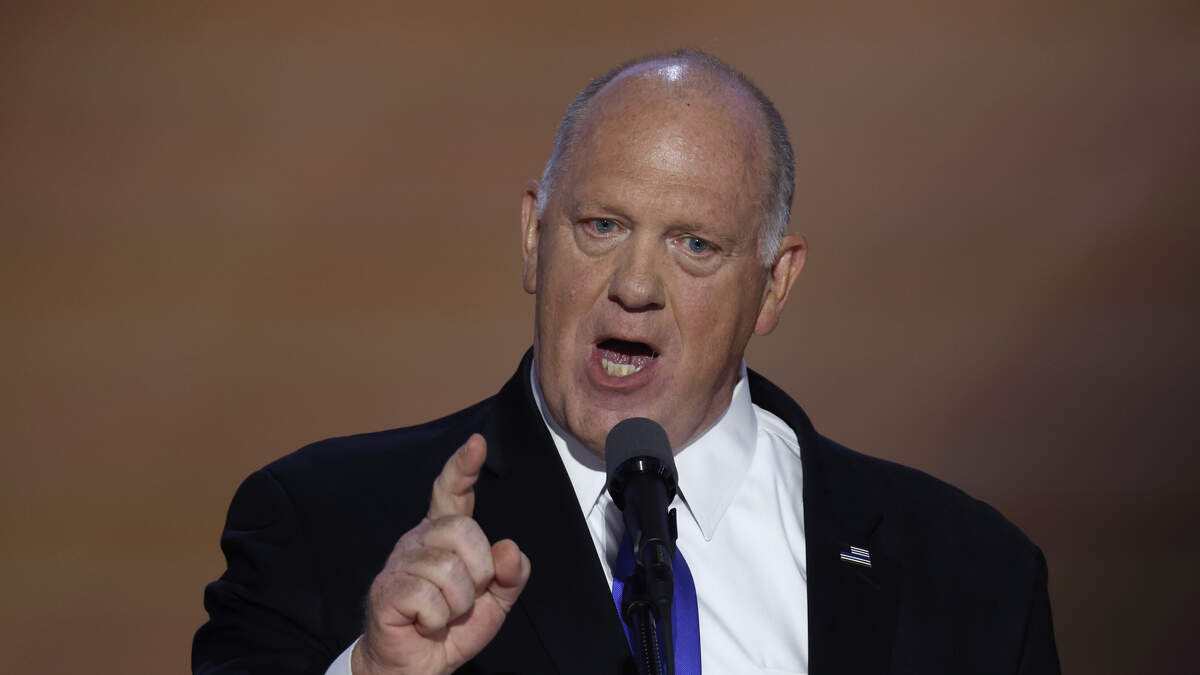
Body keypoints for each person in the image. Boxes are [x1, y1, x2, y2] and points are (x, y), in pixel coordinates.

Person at [193, 49, 1060, 675]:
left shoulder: (973, 576)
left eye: (694, 244)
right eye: (601, 226)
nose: (635, 285)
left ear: (774, 285)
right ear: (534, 239)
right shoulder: (325, 526)